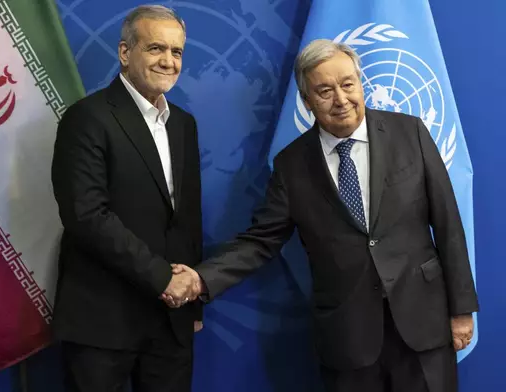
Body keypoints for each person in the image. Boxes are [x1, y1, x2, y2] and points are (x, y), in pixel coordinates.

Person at [164, 39, 479, 392]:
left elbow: (449, 223)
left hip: (424, 324)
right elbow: (260, 242)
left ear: (361, 84)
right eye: (325, 90)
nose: (341, 99)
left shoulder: (411, 132)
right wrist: (201, 279)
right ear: (307, 100)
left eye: (348, 84)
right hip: (348, 338)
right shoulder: (292, 165)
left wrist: (462, 309)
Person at [51, 5, 203, 392]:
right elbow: (87, 215)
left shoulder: (184, 124)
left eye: (177, 52)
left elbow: (186, 219)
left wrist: (192, 302)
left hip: (171, 322)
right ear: (124, 53)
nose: (168, 61)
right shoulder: (87, 118)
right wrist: (161, 279)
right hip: (104, 321)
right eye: (156, 48)